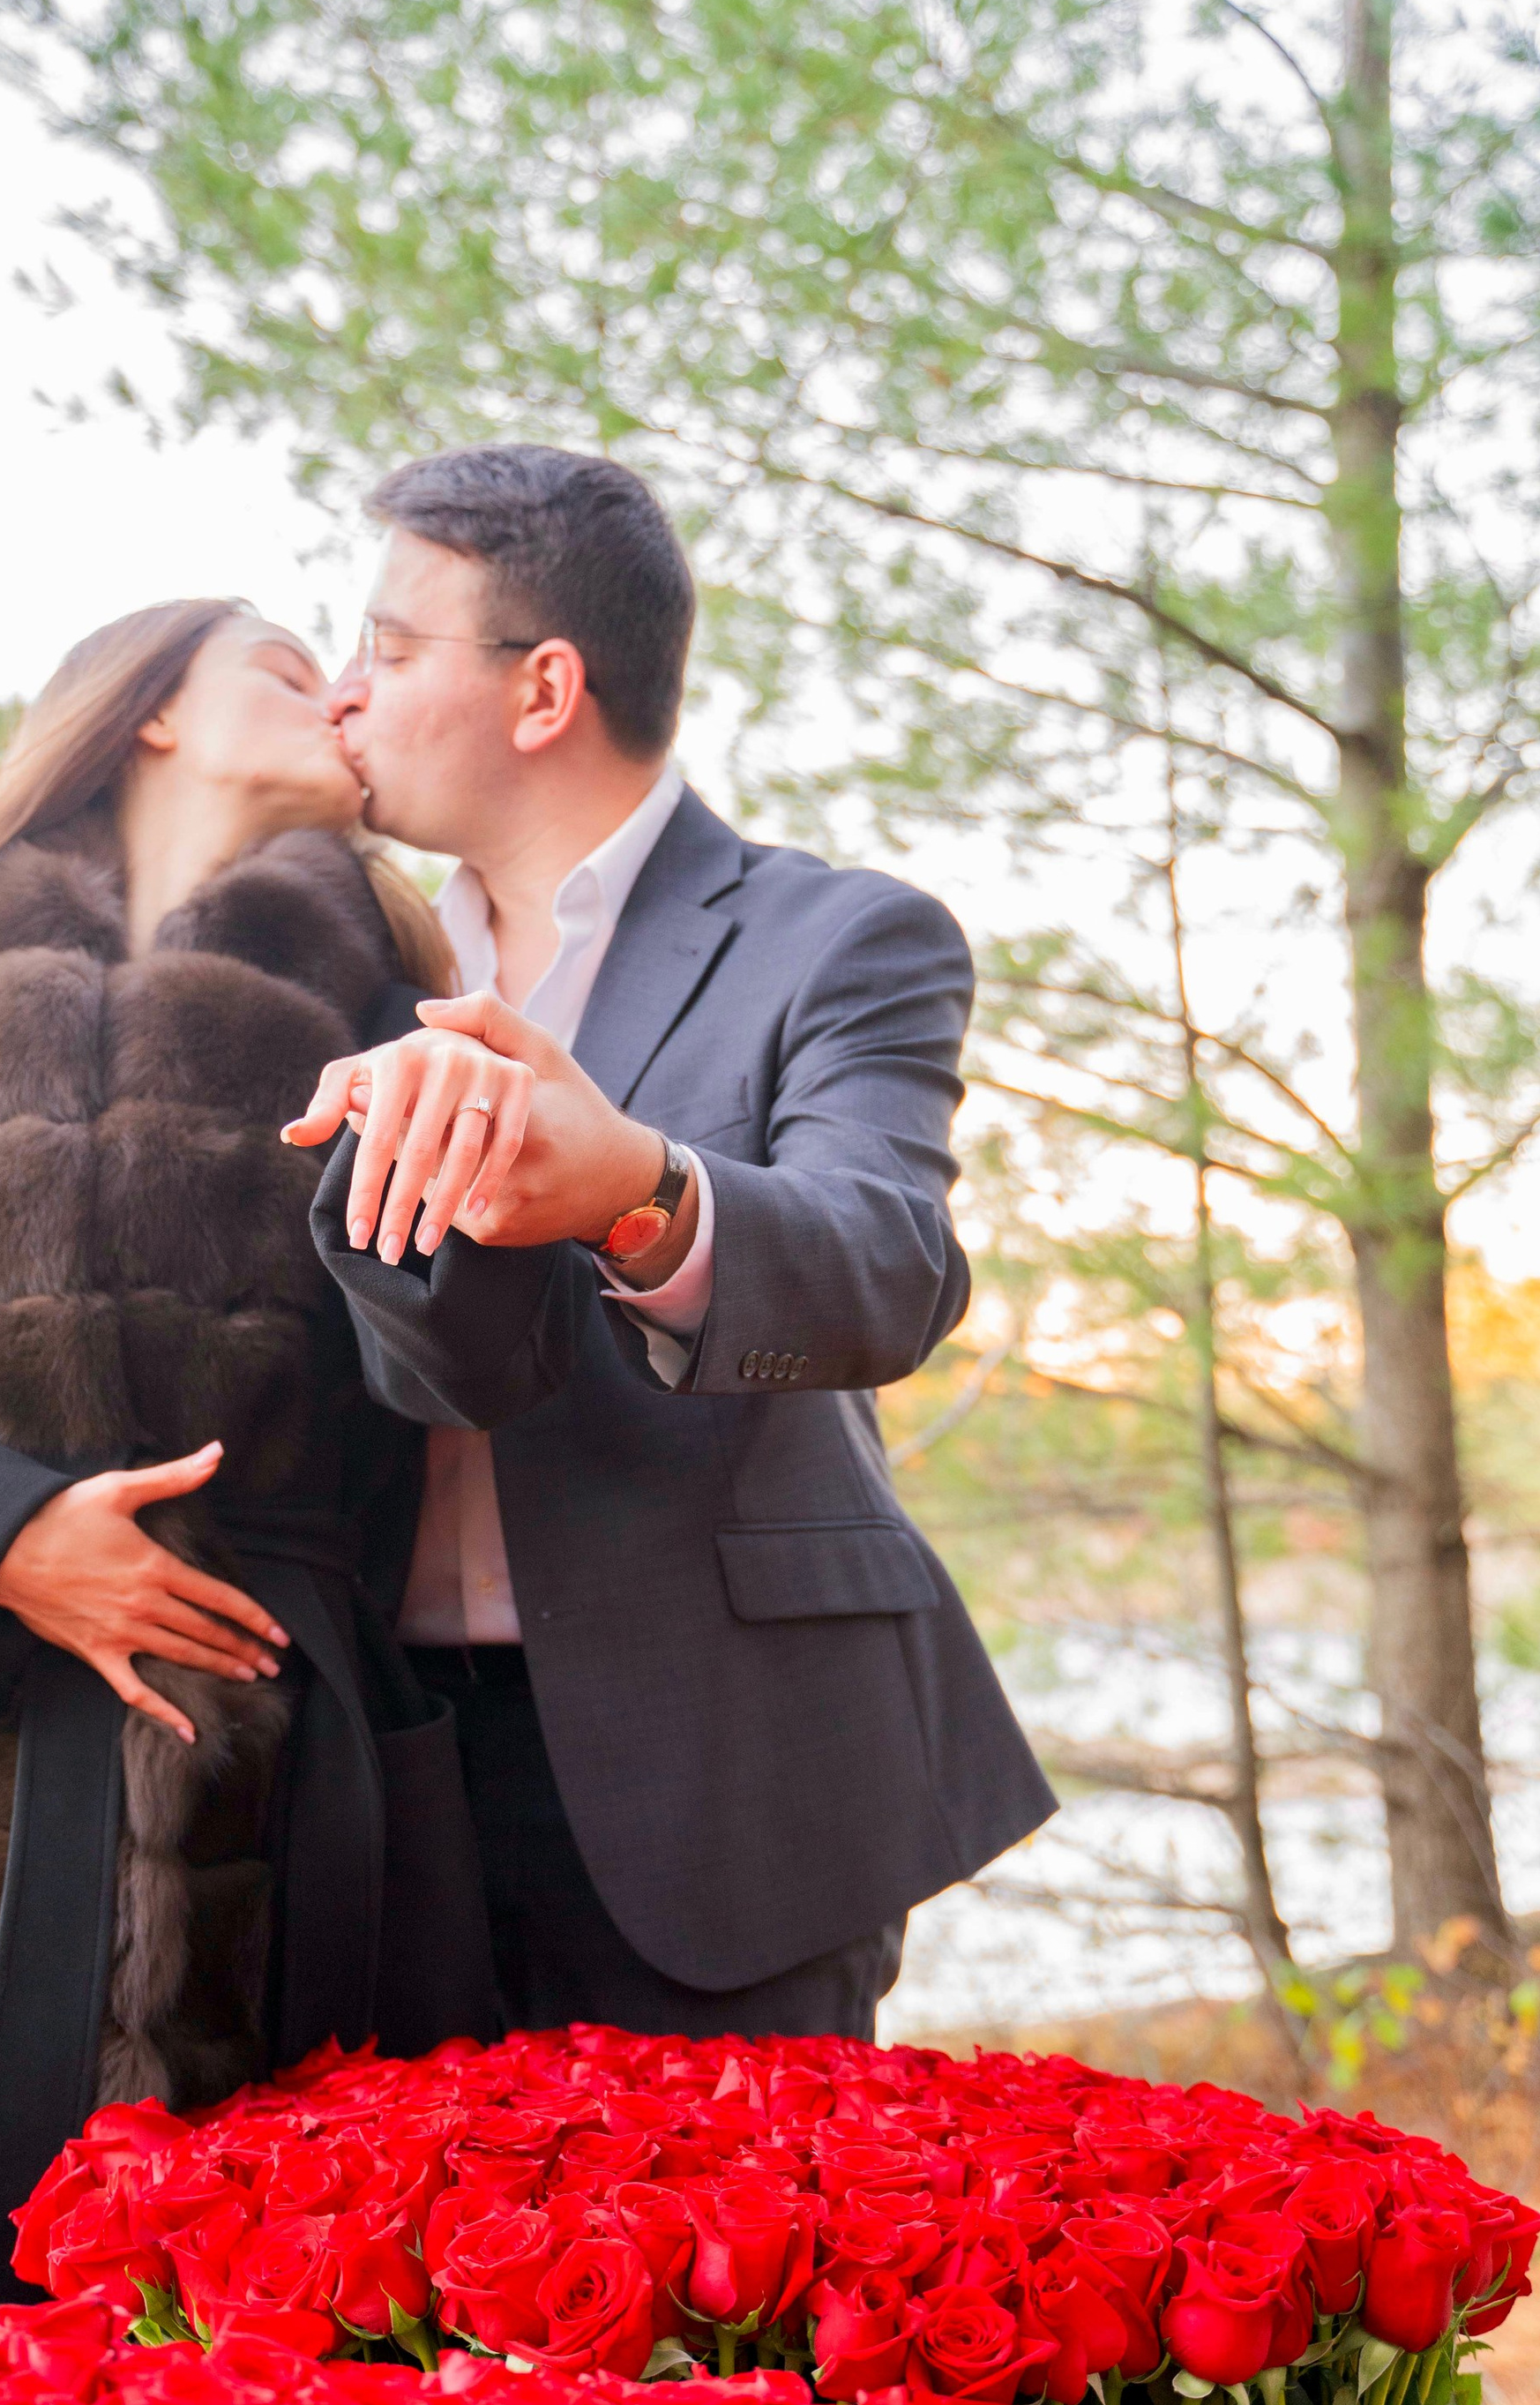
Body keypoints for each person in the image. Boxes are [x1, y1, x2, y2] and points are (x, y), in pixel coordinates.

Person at [0, 601, 573, 2355]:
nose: (341, 683)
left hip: (288, 1774)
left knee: (275, 2394)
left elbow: (485, 1373)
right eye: (281, 655)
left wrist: (450, 1159)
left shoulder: (406, 1024)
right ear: (147, 709)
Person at [287, 443, 1055, 2042]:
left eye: (392, 645)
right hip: (384, 1781)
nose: (344, 693)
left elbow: (889, 1262)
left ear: (544, 687)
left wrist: (639, 1188)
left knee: (746, 2293)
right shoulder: (346, 981)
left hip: (736, 1780)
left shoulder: (843, 938)